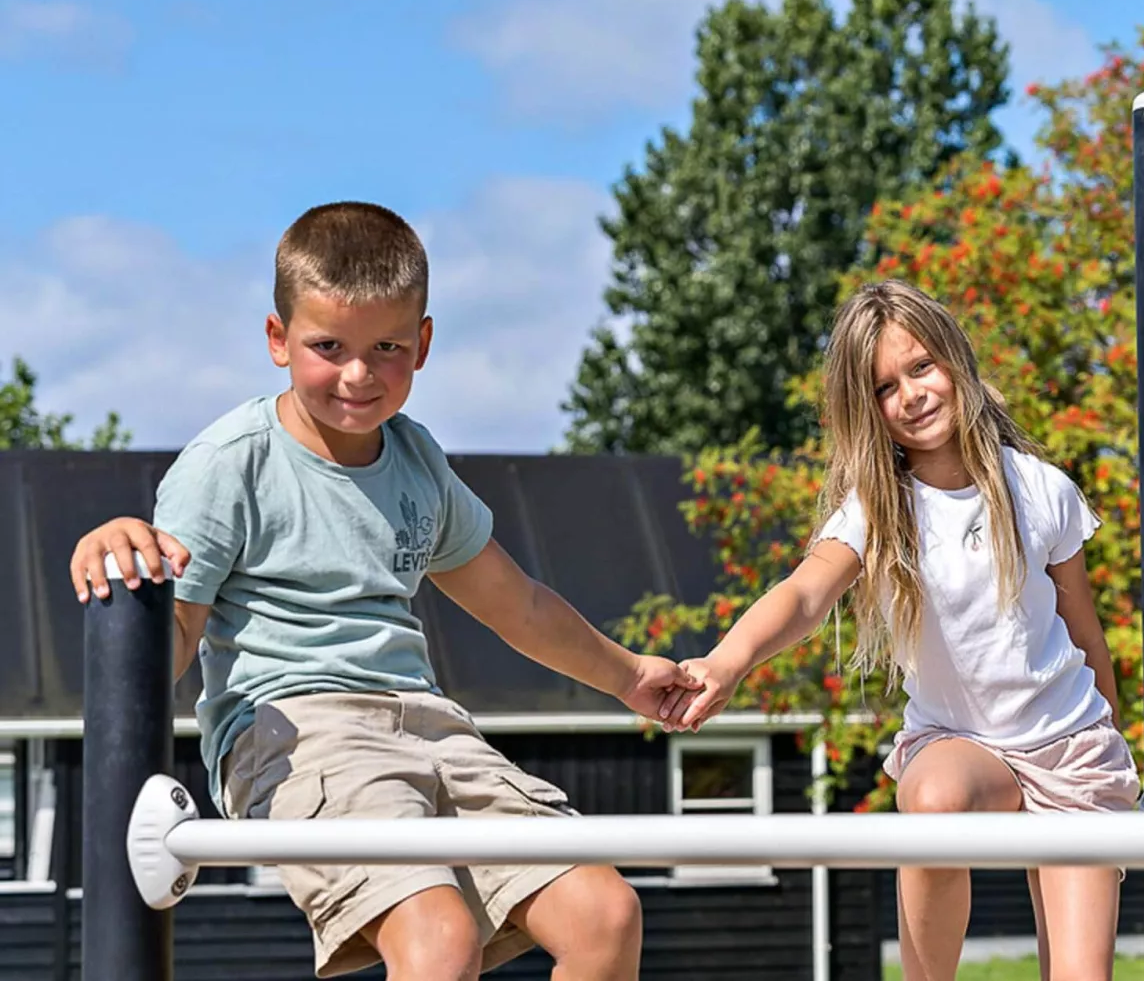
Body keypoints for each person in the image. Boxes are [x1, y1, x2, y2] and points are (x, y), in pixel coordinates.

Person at [69, 201, 694, 981]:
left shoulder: (416, 461)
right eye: (328, 347)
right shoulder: (231, 464)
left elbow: (518, 603)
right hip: (299, 731)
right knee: (439, 940)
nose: (358, 375)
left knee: (606, 915)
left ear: (423, 344)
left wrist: (629, 676)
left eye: (386, 347)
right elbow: (179, 637)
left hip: (432, 728)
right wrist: (125, 571)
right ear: (277, 339)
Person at [658, 279, 1139, 981]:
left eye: (921, 368)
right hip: (962, 744)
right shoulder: (879, 508)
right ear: (869, 411)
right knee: (932, 797)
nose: (911, 395)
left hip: (1067, 743)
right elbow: (803, 594)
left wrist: (1117, 747)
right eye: (886, 388)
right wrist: (728, 662)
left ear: (955, 361)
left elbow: (1084, 633)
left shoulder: (1041, 489)